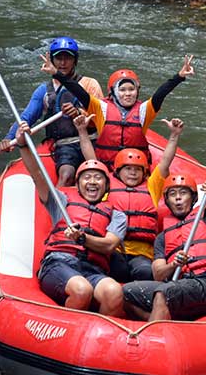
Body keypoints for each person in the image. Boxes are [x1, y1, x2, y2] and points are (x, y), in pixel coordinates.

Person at [15, 120, 125, 317]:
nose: (92, 181)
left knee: (114, 292)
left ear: (107, 187)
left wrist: (82, 238)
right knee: (82, 290)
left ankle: (98, 340)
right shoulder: (62, 200)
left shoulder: (117, 215)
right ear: (78, 183)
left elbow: (109, 245)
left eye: (98, 178)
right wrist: (23, 144)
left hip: (93, 269)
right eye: (87, 177)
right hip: (59, 263)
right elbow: (37, 174)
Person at [72, 113, 185, 282]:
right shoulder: (107, 183)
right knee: (111, 270)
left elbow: (165, 163)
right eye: (128, 169)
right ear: (118, 171)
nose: (133, 173)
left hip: (142, 253)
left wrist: (174, 135)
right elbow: (91, 160)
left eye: (137, 169)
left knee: (145, 272)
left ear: (144, 172)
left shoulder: (151, 186)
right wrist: (82, 131)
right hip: (113, 250)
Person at [122, 173, 206, 321]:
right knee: (125, 292)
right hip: (181, 285)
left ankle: (156, 333)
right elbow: (158, 274)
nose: (178, 198)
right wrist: (173, 264)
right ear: (167, 201)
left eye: (183, 193)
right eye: (172, 194)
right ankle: (161, 321)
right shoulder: (162, 238)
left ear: (193, 198)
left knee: (164, 293)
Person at [39, 53, 194, 168]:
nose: (128, 94)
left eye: (131, 89)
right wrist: (56, 73)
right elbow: (77, 90)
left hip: (135, 168)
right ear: (113, 92)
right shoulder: (101, 108)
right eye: (123, 89)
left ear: (137, 91)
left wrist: (179, 77)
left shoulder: (144, 110)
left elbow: (161, 93)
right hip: (107, 168)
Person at [0, 36, 104, 187]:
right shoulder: (44, 91)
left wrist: (78, 113)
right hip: (65, 144)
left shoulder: (90, 84)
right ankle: (57, 208)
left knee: (101, 174)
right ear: (52, 60)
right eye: (58, 58)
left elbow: (99, 118)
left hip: (91, 140)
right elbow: (27, 117)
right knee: (66, 174)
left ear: (75, 60)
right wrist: (9, 139)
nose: (62, 63)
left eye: (67, 58)